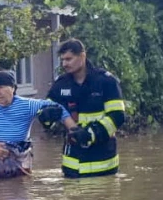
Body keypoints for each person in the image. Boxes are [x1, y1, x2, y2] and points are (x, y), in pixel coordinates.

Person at [44, 39, 127, 178]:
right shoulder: (60, 84)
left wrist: (91, 133)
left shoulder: (106, 82)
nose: (64, 64)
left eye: (69, 59)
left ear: (82, 56)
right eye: (63, 60)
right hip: (72, 169)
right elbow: (46, 118)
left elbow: (117, 116)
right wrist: (46, 116)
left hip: (103, 167)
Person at [0, 70, 75, 179]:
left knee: (19, 187)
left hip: (18, 158)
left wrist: (73, 130)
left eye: (1, 87)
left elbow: (59, 108)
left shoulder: (27, 105)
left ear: (13, 88)